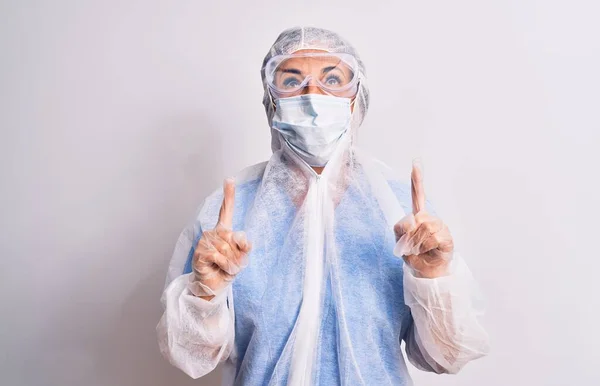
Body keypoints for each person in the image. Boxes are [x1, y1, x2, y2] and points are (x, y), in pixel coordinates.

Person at [157, 26, 490, 385]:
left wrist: (433, 278)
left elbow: (446, 356)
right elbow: (193, 356)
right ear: (271, 98)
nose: (312, 93)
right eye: (292, 80)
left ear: (355, 98)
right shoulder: (228, 212)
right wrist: (205, 293)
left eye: (332, 79)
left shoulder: (401, 211)